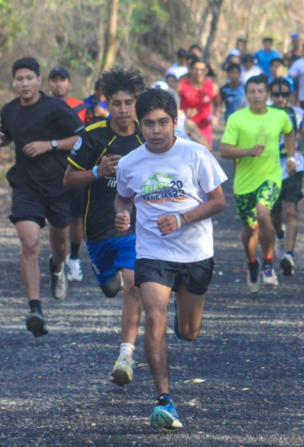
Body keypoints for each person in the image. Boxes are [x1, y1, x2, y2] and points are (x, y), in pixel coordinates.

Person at [114, 88, 227, 431]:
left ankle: (184, 310)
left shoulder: (196, 154)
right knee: (154, 315)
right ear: (139, 125)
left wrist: (182, 219)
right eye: (149, 124)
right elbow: (122, 200)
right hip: (153, 253)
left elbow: (219, 201)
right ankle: (164, 400)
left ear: (175, 122)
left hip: (195, 253)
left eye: (163, 122)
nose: (157, 130)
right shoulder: (130, 163)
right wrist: (122, 216)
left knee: (190, 333)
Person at [0, 57, 83, 337]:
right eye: (20, 79)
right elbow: (9, 135)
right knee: (29, 244)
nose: (25, 83)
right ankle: (35, 310)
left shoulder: (57, 109)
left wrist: (49, 145)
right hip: (26, 186)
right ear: (14, 82)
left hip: (58, 185)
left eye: (30, 78)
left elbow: (81, 139)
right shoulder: (9, 110)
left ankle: (56, 268)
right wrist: (0, 139)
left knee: (59, 248)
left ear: (39, 81)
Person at [64, 66, 145, 387]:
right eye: (117, 103)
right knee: (112, 287)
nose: (124, 110)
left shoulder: (147, 134)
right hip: (98, 229)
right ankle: (103, 273)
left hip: (136, 226)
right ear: (107, 103)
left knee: (133, 285)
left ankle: (125, 355)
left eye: (129, 103)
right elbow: (69, 179)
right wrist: (97, 171)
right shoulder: (93, 134)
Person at [220, 74, 296, 292]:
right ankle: (253, 263)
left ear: (268, 94)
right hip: (244, 183)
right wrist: (246, 152)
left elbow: (290, 133)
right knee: (250, 230)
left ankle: (269, 264)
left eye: (260, 91)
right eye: (252, 92)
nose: (256, 96)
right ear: (246, 94)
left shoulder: (279, 116)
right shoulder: (237, 118)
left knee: (264, 214)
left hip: (271, 176)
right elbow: (224, 150)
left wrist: (290, 158)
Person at [269, 77, 304, 277]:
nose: (280, 98)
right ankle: (279, 235)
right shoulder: (265, 114)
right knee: (274, 215)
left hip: (293, 165)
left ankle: (289, 255)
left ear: (291, 95)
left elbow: (300, 129)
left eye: (285, 94)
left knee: (291, 208)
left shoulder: (297, 112)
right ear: (270, 95)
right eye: (277, 94)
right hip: (269, 168)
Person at [49, 66, 90, 281]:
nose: (58, 84)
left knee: (76, 217)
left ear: (69, 83)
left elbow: (89, 136)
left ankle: (73, 258)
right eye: (54, 80)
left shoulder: (82, 107)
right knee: (56, 218)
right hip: (51, 171)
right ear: (48, 84)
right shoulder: (42, 106)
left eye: (62, 80)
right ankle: (59, 254)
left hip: (77, 168)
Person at [178, 57, 222, 146]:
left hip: (204, 131)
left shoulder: (213, 87)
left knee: (206, 156)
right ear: (190, 70)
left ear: (206, 71)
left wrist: (216, 116)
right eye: (196, 69)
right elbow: (172, 106)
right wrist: (183, 112)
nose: (199, 73)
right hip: (186, 130)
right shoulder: (181, 86)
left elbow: (217, 104)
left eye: (202, 70)